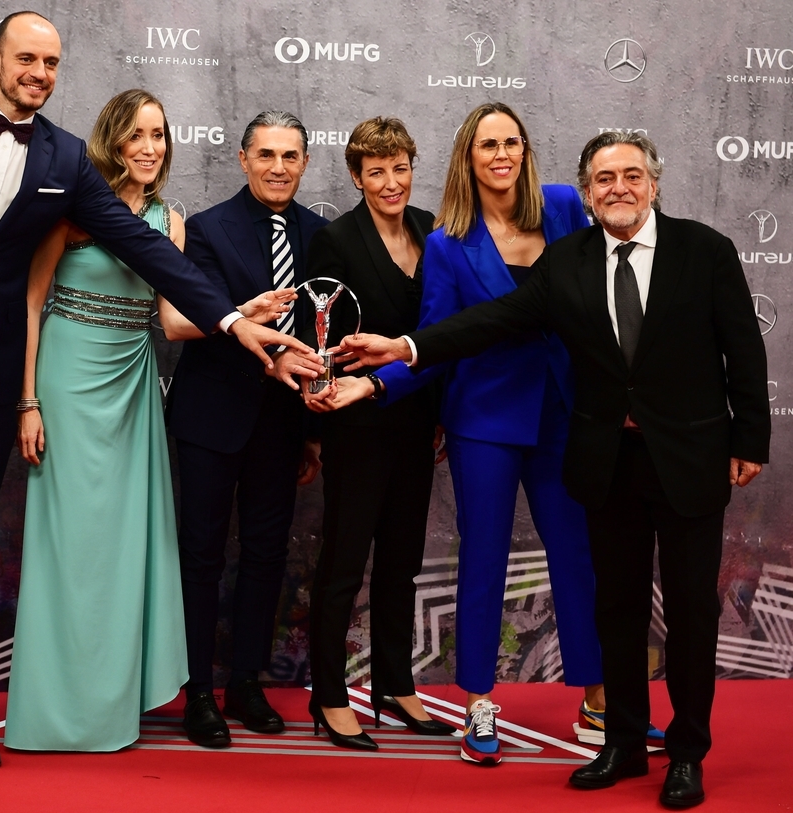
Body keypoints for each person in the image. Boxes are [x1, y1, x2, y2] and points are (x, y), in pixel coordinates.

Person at [0, 12, 309, 787]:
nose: (39, 72)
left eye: (51, 62)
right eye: (26, 57)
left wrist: (228, 317)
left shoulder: (62, 157)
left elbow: (145, 246)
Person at [337, 131, 770, 807]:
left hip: (681, 456)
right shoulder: (567, 260)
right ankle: (621, 741)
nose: (618, 188)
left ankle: (686, 750)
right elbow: (489, 321)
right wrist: (403, 352)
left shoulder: (703, 249)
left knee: (687, 610)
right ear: (588, 191)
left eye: (631, 175)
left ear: (653, 183)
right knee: (617, 603)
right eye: (604, 179)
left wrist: (751, 438)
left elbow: (742, 349)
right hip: (596, 455)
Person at [322, 103, 629, 765]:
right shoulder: (447, 241)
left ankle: (602, 701)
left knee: (577, 553)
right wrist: (374, 383)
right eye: (488, 143)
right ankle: (479, 706)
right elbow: (436, 341)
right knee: (484, 557)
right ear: (468, 155)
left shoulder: (564, 208)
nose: (502, 154)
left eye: (511, 141)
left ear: (525, 148)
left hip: (559, 413)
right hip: (483, 420)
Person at [3, 90, 291, 751]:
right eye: (136, 134)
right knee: (68, 547)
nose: (150, 146)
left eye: (159, 134)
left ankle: (110, 704)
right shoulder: (73, 209)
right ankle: (56, 705)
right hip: (68, 383)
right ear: (113, 139)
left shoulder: (171, 220)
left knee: (120, 550)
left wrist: (240, 311)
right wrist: (28, 399)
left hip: (134, 386)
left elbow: (169, 320)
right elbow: (30, 300)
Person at [164, 111, 328, 749]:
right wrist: (251, 328)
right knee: (201, 555)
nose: (278, 167)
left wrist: (314, 431)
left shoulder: (322, 234)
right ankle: (199, 690)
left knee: (266, 554)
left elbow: (325, 332)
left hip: (283, 422)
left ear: (306, 163)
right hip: (212, 416)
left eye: (290, 156)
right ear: (242, 159)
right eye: (266, 155)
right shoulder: (206, 230)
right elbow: (194, 317)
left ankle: (248, 683)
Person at [301, 117, 454, 750]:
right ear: (357, 177)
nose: (391, 182)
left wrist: (441, 410)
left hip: (418, 423)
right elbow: (315, 332)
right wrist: (314, 406)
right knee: (343, 562)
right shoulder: (336, 239)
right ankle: (329, 695)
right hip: (356, 423)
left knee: (402, 563)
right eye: (376, 171)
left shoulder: (434, 231)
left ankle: (396, 684)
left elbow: (445, 332)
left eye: (400, 168)